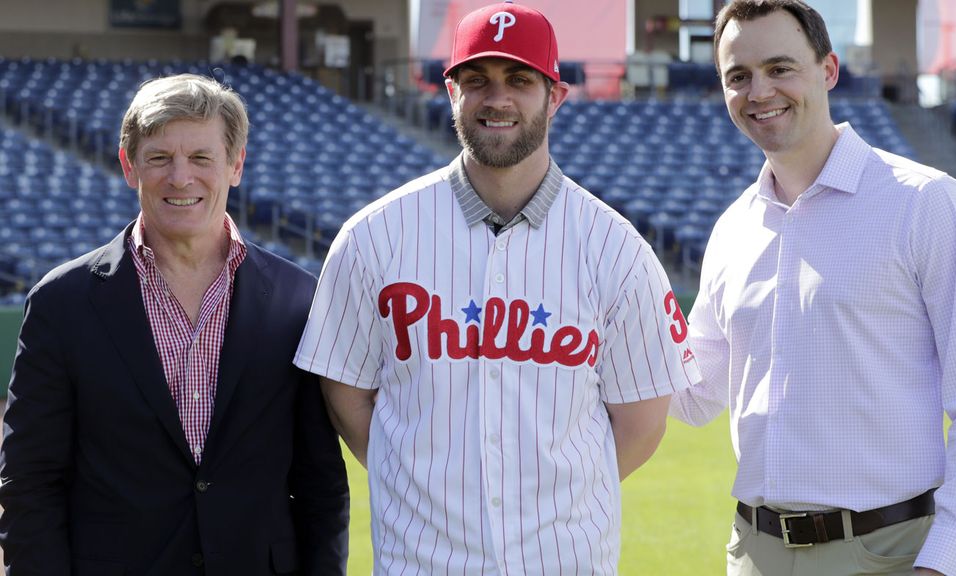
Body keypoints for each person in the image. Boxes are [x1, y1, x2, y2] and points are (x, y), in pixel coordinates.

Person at [294, 2, 701, 573]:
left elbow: (641, 423)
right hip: (421, 562)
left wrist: (552, 504)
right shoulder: (374, 237)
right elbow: (345, 394)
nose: (498, 98)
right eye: (476, 79)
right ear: (451, 92)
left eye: (520, 79)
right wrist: (418, 481)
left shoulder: (617, 249)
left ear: (555, 96)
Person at [670, 2, 956, 575]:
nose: (759, 91)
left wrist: (944, 563)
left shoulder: (925, 204)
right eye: (739, 76)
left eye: (780, 68)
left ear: (828, 70)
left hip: (887, 553)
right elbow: (696, 393)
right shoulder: (733, 227)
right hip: (753, 552)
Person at [0, 74, 350, 575]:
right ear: (129, 165)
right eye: (160, 158)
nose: (181, 178)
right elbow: (30, 482)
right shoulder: (61, 303)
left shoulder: (298, 299)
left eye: (201, 158)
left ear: (235, 165)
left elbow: (321, 484)